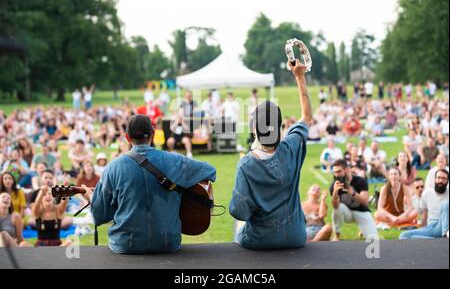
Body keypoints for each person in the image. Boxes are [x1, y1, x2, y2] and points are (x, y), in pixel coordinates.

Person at [82, 114, 216, 254]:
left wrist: (92, 197)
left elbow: (99, 215)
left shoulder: (113, 167)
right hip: (167, 243)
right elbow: (211, 171)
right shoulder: (175, 160)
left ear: (127, 137)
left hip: (126, 244)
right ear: (152, 134)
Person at [229, 58, 312, 250]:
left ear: (255, 130)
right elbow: (306, 117)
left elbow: (239, 211)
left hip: (260, 240)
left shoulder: (247, 164)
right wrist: (299, 77)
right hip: (296, 236)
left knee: (238, 230)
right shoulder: (292, 146)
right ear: (281, 127)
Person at [330, 159, 378, 241]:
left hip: (361, 211)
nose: (336, 175)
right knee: (337, 209)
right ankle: (337, 235)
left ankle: (363, 229)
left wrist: (352, 192)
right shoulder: (334, 185)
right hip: (346, 212)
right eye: (335, 172)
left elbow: (365, 202)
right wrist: (335, 193)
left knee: (373, 238)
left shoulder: (360, 181)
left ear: (347, 169)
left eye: (339, 171)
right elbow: (336, 206)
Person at [399, 169, 449, 239]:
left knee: (446, 204)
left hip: (444, 224)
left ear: (447, 181)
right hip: (431, 227)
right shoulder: (427, 193)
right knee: (404, 235)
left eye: (444, 178)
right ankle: (435, 240)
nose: (440, 181)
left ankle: (445, 235)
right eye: (439, 178)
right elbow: (424, 216)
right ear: (435, 179)